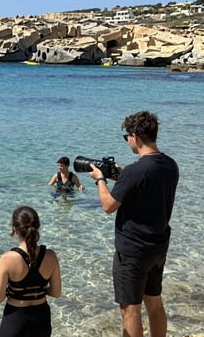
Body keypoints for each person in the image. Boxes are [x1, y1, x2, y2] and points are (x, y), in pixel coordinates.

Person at [88, 111, 179, 337]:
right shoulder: (170, 165)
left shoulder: (135, 171)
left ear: (135, 136)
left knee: (130, 310)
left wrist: (100, 179)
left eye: (126, 137)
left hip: (132, 251)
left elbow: (109, 206)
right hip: (158, 247)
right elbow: (148, 191)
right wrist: (122, 179)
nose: (127, 141)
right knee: (155, 304)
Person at [0, 206, 61, 337]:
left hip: (15, 319)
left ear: (15, 229)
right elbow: (56, 293)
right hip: (41, 319)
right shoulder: (51, 256)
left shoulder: (7, 258)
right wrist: (39, 290)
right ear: (37, 228)